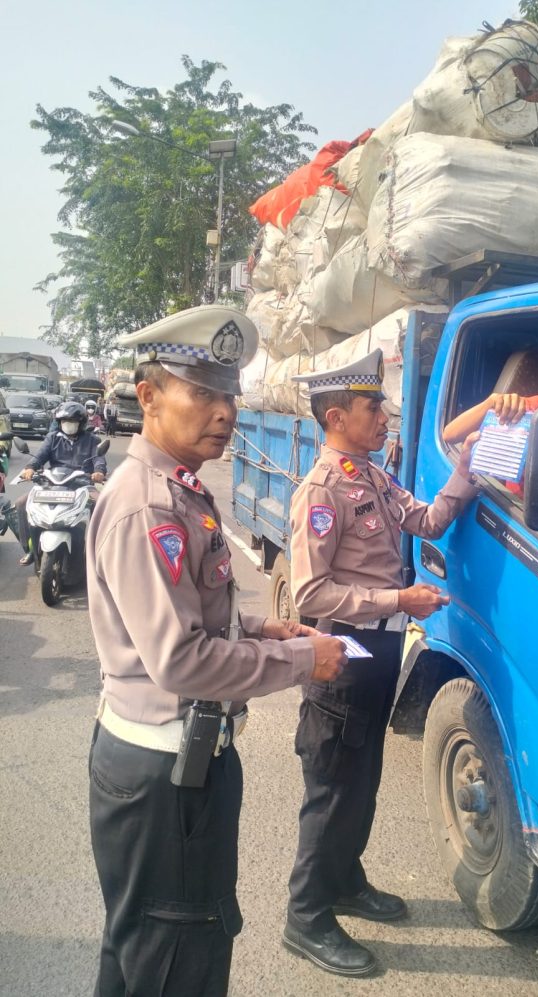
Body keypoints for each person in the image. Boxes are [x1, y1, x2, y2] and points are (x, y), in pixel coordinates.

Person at [86, 305, 348, 997]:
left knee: (143, 953)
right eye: (202, 392)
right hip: (165, 775)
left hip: (175, 765)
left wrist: (264, 631)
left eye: (229, 393)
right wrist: (304, 662)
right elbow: (180, 660)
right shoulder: (150, 505)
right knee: (176, 958)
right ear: (148, 396)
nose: (226, 411)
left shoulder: (181, 489)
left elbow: (193, 614)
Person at [282, 349, 479, 977]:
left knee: (362, 779)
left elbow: (428, 520)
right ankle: (306, 917)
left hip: (380, 651)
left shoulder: (372, 476)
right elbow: (311, 595)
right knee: (333, 788)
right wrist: (399, 599)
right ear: (336, 417)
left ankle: (345, 880)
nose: (385, 417)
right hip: (345, 653)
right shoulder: (322, 491)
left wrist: (469, 468)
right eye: (373, 407)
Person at [16, 400, 107, 565]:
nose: (68, 424)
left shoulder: (92, 440)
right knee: (22, 503)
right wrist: (30, 468)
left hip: (82, 484)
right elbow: (40, 456)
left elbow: (99, 459)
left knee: (102, 505)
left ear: (81, 423)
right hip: (53, 483)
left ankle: (99, 552)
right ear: (59, 422)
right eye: (64, 421)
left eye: (72, 421)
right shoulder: (52, 438)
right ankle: (30, 550)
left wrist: (99, 472)